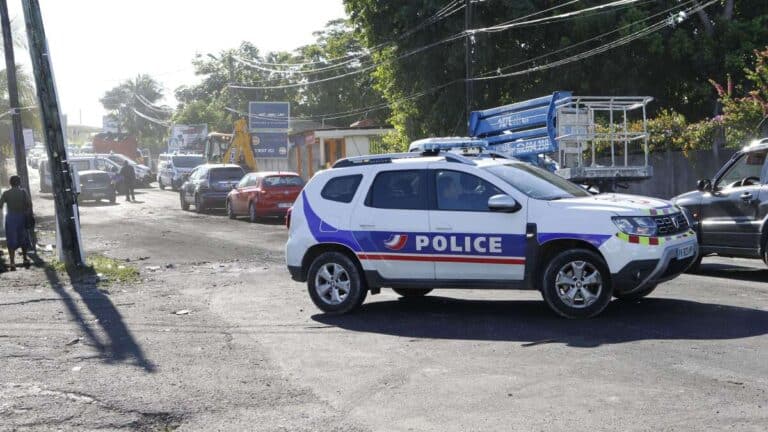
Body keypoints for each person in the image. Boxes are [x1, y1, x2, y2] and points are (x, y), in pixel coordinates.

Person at [0, 175, 32, 270]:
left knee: (11, 239)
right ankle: (25, 259)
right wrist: (27, 213)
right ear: (19, 183)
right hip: (21, 217)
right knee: (23, 238)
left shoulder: (6, 193)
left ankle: (12, 263)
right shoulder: (23, 192)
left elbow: (0, 205)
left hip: (10, 218)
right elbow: (29, 204)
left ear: (10, 183)